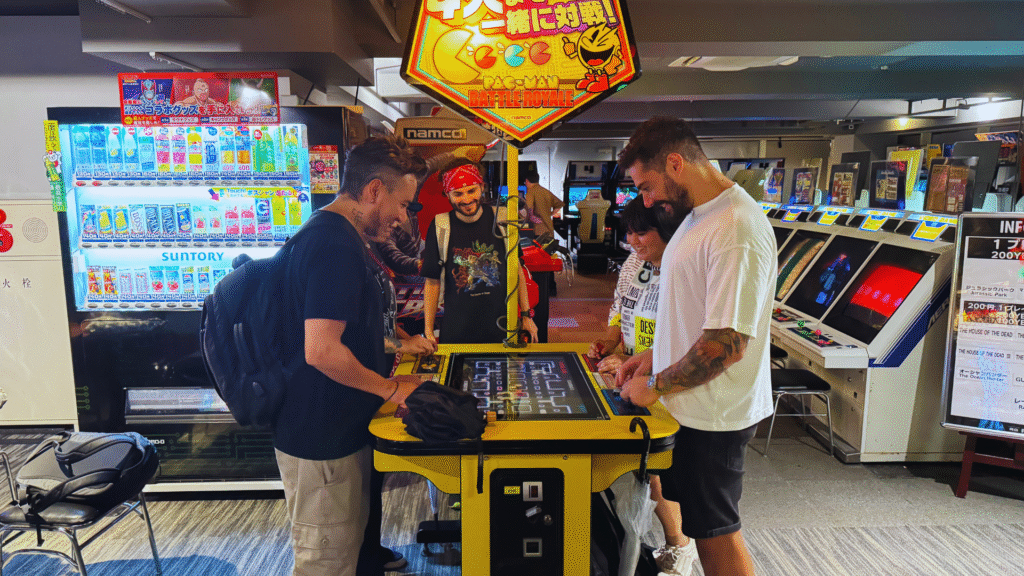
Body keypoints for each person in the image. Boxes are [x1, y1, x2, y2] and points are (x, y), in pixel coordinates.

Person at [615, 117, 776, 576]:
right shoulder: (698, 218)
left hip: (716, 414)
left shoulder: (736, 227)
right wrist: (653, 355)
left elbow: (727, 343)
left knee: (716, 534)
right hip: (690, 407)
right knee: (702, 529)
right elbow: (694, 313)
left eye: (647, 187)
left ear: (675, 162)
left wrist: (655, 383)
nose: (646, 201)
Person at [273, 134, 427, 576]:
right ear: (374, 190)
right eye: (402, 204)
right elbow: (320, 350)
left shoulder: (332, 233)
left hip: (335, 429)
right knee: (326, 563)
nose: (402, 217)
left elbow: (350, 327)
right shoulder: (334, 246)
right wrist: (391, 389)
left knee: (349, 555)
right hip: (321, 439)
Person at [587, 198, 696, 576]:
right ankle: (660, 541)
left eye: (641, 232)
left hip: (666, 380)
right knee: (642, 468)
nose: (632, 240)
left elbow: (684, 335)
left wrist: (645, 366)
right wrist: (610, 345)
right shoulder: (634, 262)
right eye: (628, 232)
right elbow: (621, 309)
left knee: (657, 469)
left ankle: (680, 544)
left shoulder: (683, 266)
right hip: (633, 375)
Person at [421, 159, 539, 345]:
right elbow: (432, 282)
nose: (467, 200)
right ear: (447, 194)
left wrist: (526, 315)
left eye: (471, 191)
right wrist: (428, 331)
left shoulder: (503, 219)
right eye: (458, 194)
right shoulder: (440, 226)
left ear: (482, 187)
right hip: (457, 332)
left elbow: (516, 269)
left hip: (501, 329)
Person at [521, 167, 564, 245]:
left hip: (538, 231)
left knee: (538, 254)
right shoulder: (545, 191)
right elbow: (559, 205)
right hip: (548, 230)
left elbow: (528, 209)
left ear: (527, 181)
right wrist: (550, 214)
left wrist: (517, 211)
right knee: (547, 253)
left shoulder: (530, 192)